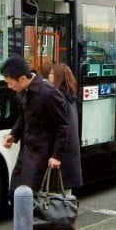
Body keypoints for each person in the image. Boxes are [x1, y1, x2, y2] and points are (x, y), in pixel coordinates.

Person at [0, 56, 71, 230]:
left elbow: (63, 127)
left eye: (10, 82)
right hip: (27, 154)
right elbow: (23, 119)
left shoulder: (48, 93)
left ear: (22, 79)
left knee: (39, 204)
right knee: (16, 195)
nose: (9, 87)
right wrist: (13, 135)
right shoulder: (22, 92)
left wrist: (56, 156)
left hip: (43, 158)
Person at [48, 63, 83, 192]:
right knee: (65, 194)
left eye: (51, 74)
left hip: (62, 153)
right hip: (70, 153)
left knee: (57, 196)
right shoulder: (69, 96)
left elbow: (60, 127)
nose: (49, 77)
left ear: (58, 77)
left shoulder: (58, 97)